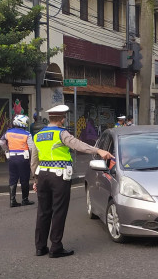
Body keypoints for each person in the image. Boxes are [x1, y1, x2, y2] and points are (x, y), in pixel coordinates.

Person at [31, 105, 113, 258]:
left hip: (42, 176)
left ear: (50, 118)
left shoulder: (38, 135)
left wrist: (35, 180)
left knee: (43, 212)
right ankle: (56, 247)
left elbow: (34, 161)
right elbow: (78, 145)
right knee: (58, 211)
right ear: (62, 119)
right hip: (59, 177)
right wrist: (98, 150)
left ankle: (40, 247)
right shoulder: (61, 133)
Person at [0, 114, 35, 208]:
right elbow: (31, 148)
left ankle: (12, 201)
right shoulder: (27, 134)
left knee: (13, 178)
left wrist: (7, 150)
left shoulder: (8, 132)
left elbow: (1, 142)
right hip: (23, 159)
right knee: (24, 179)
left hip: (12, 158)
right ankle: (25, 200)